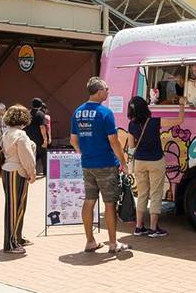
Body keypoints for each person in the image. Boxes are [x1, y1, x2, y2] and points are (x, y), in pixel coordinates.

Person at [71, 77, 129, 255]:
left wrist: (84, 151)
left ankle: (90, 241)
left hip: (87, 164)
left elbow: (73, 140)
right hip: (105, 164)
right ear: (99, 91)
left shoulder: (77, 112)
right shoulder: (105, 112)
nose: (108, 92)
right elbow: (114, 141)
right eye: (106, 89)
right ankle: (113, 243)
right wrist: (123, 162)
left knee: (89, 200)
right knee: (109, 203)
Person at [126, 95, 185, 237]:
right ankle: (153, 228)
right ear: (145, 108)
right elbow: (179, 120)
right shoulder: (154, 122)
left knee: (142, 194)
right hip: (155, 161)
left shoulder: (131, 125)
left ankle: (139, 227)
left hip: (139, 162)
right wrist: (182, 105)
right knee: (156, 194)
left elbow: (131, 146)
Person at [0, 105, 37, 254]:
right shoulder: (21, 135)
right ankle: (10, 243)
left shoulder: (6, 132)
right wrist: (32, 172)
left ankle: (17, 237)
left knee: (14, 206)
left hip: (8, 170)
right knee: (16, 207)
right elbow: (26, 156)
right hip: (17, 171)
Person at [25, 98, 48, 175]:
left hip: (28, 138)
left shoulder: (27, 113)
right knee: (43, 154)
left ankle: (31, 171)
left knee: (30, 155)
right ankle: (45, 171)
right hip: (39, 138)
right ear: (41, 106)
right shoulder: (40, 114)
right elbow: (42, 127)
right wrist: (45, 139)